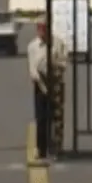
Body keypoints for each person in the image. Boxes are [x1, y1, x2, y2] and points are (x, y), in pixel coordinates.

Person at [27, 21, 68, 165]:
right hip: (40, 83)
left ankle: (55, 148)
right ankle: (41, 149)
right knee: (41, 117)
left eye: (44, 28)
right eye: (39, 28)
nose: (41, 31)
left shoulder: (58, 43)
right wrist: (39, 81)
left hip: (55, 82)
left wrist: (53, 64)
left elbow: (64, 63)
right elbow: (32, 68)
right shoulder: (33, 46)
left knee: (56, 117)